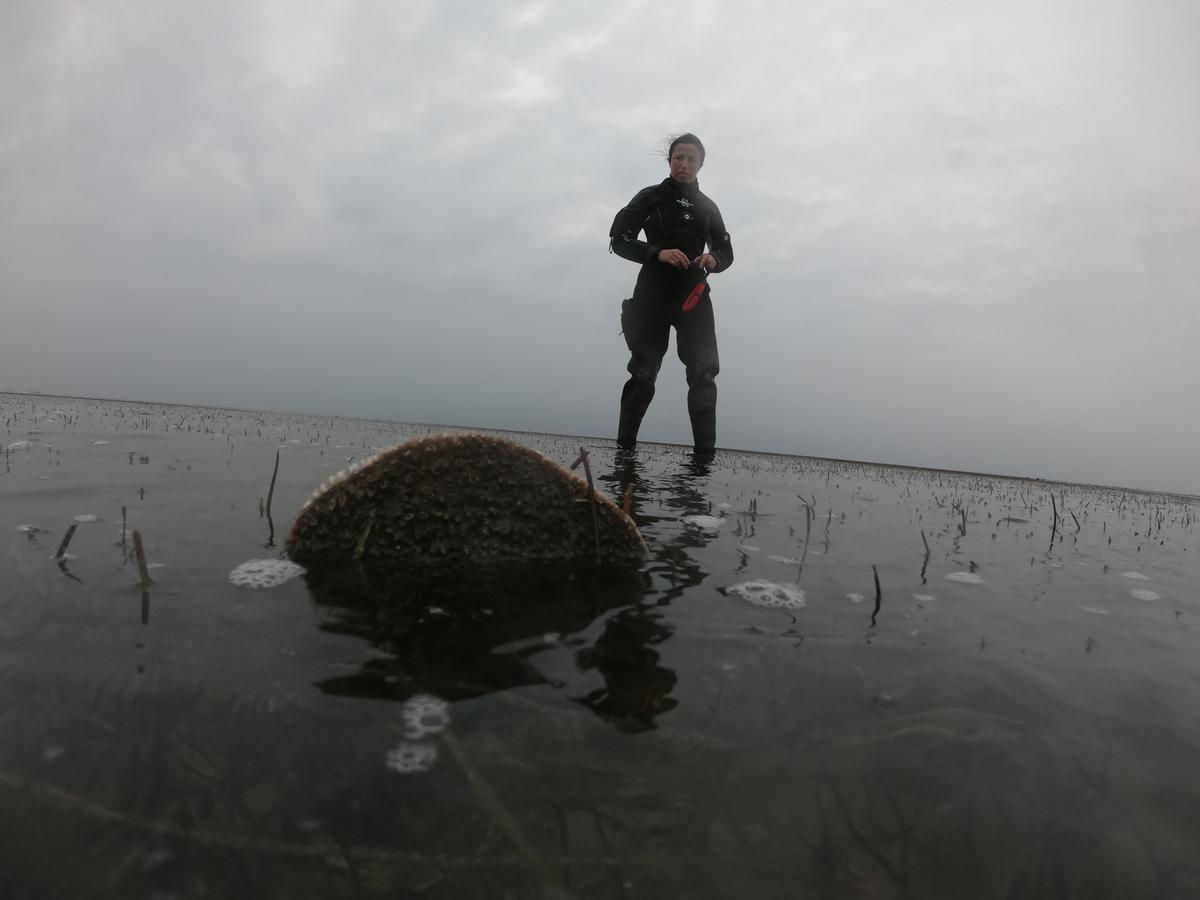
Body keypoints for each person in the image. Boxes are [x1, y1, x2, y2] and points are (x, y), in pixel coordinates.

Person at [609, 133, 734, 454]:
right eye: (679, 157)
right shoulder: (651, 197)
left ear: (700, 164)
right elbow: (619, 239)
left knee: (704, 373)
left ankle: (704, 463)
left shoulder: (709, 207)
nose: (684, 164)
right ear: (670, 161)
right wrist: (657, 253)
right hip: (653, 291)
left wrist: (713, 259)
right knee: (643, 372)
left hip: (693, 294)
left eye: (692, 159)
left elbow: (725, 251)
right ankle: (625, 456)